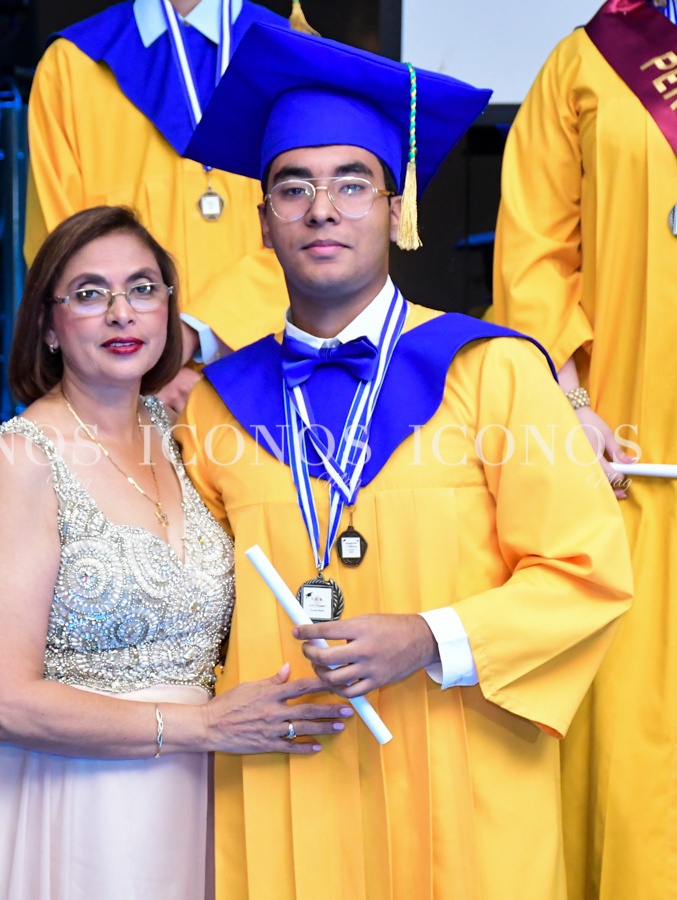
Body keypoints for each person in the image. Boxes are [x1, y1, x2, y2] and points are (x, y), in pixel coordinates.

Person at [173, 22, 635, 899]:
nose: (322, 209)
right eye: (293, 188)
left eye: (353, 183)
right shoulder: (216, 404)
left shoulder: (493, 372)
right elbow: (184, 593)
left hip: (464, 787)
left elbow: (587, 574)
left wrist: (426, 638)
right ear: (263, 224)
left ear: (396, 210)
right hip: (285, 784)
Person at [0, 206, 350, 900]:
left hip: (185, 788)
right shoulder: (20, 458)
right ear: (47, 325)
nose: (121, 313)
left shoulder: (186, 435)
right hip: (61, 792)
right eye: (89, 293)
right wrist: (205, 724)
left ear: (168, 310)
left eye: (142, 288)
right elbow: (2, 706)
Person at [492, 2, 677, 897]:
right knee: (633, 762)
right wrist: (567, 402)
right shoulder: (590, 61)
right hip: (631, 473)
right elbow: (533, 254)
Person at [25, 0, 312, 415]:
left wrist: (192, 333)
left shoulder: (292, 53)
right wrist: (148, 371)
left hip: (270, 383)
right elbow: (57, 256)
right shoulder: (72, 67)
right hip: (122, 396)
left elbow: (314, 233)